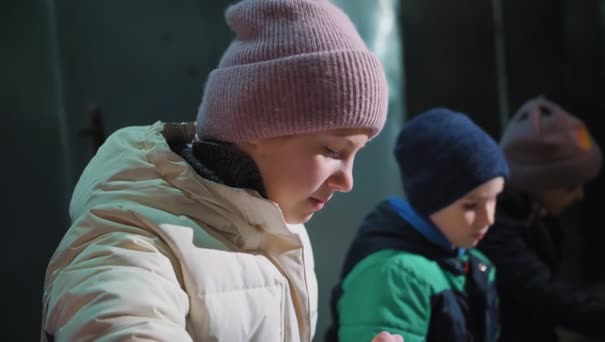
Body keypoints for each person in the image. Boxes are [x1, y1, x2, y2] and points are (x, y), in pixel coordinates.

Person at [40, 0, 389, 341]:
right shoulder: (127, 250)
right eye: (331, 150)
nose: (347, 181)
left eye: (357, 154)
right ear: (258, 128)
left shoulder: (280, 225)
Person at [326, 108, 510, 342]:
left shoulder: (466, 261)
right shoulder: (395, 276)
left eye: (495, 198)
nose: (489, 218)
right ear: (431, 199)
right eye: (471, 205)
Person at [477, 96, 605, 342]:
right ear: (537, 182)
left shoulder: (535, 215)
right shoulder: (496, 225)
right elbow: (544, 294)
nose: (579, 195)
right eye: (569, 185)